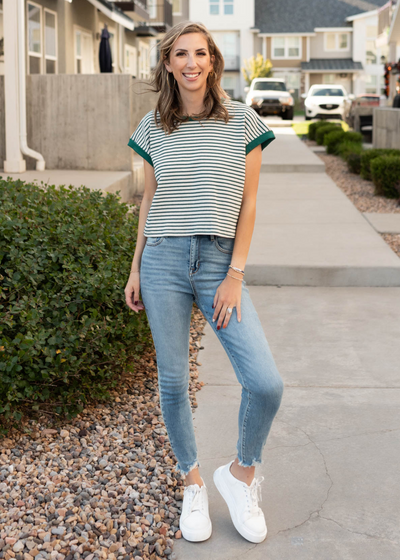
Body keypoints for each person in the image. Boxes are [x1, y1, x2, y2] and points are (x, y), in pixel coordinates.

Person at [125, 21, 284, 545]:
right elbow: (150, 200)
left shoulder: (243, 121)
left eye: (199, 53)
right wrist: (135, 267)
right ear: (168, 64)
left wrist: (235, 274)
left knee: (264, 383)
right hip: (164, 262)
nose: (191, 63)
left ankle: (240, 474)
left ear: (212, 60)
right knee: (172, 384)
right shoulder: (155, 126)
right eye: (180, 55)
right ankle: (192, 480)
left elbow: (250, 204)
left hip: (219, 263)